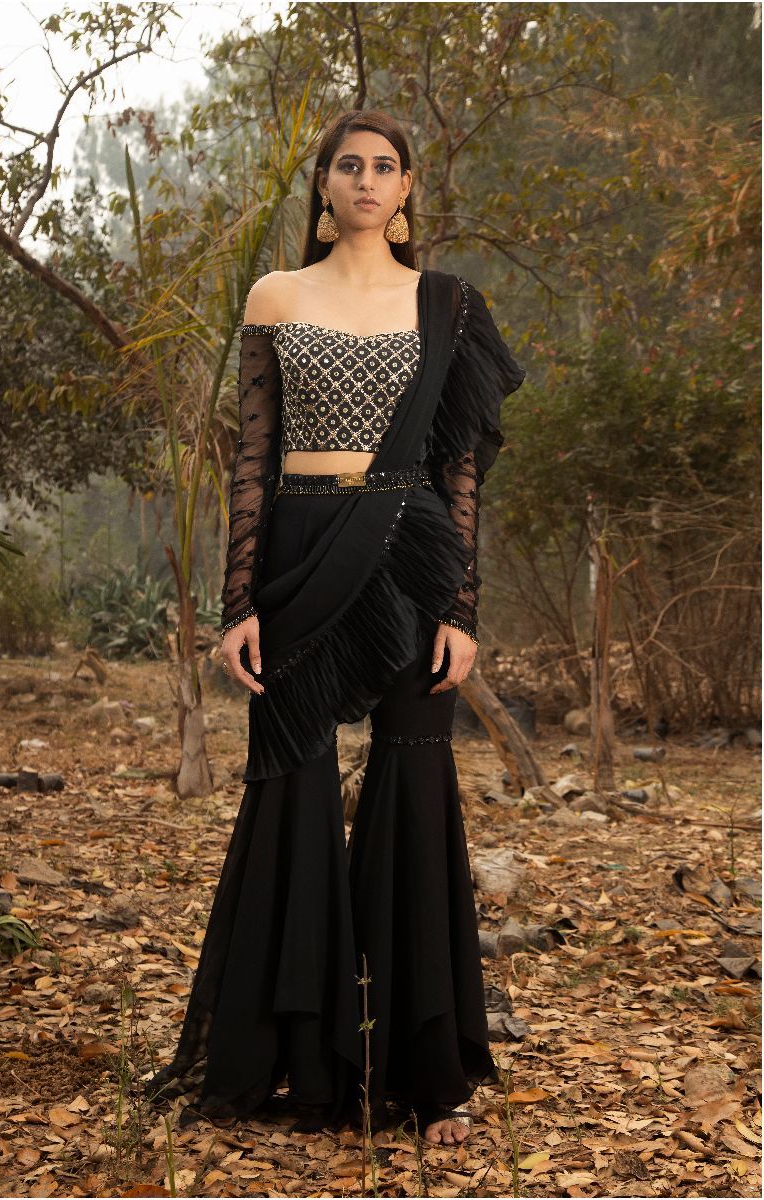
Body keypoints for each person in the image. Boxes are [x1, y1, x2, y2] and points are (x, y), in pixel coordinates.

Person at [144, 108, 526, 1148]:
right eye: (347, 164)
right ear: (323, 186)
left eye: (384, 166)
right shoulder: (277, 296)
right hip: (300, 553)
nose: (365, 179)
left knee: (414, 781)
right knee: (291, 785)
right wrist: (239, 603)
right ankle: (295, 1066)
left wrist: (460, 609)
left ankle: (420, 1076)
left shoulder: (447, 305)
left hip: (410, 551)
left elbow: (459, 468)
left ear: (405, 190)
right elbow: (251, 459)